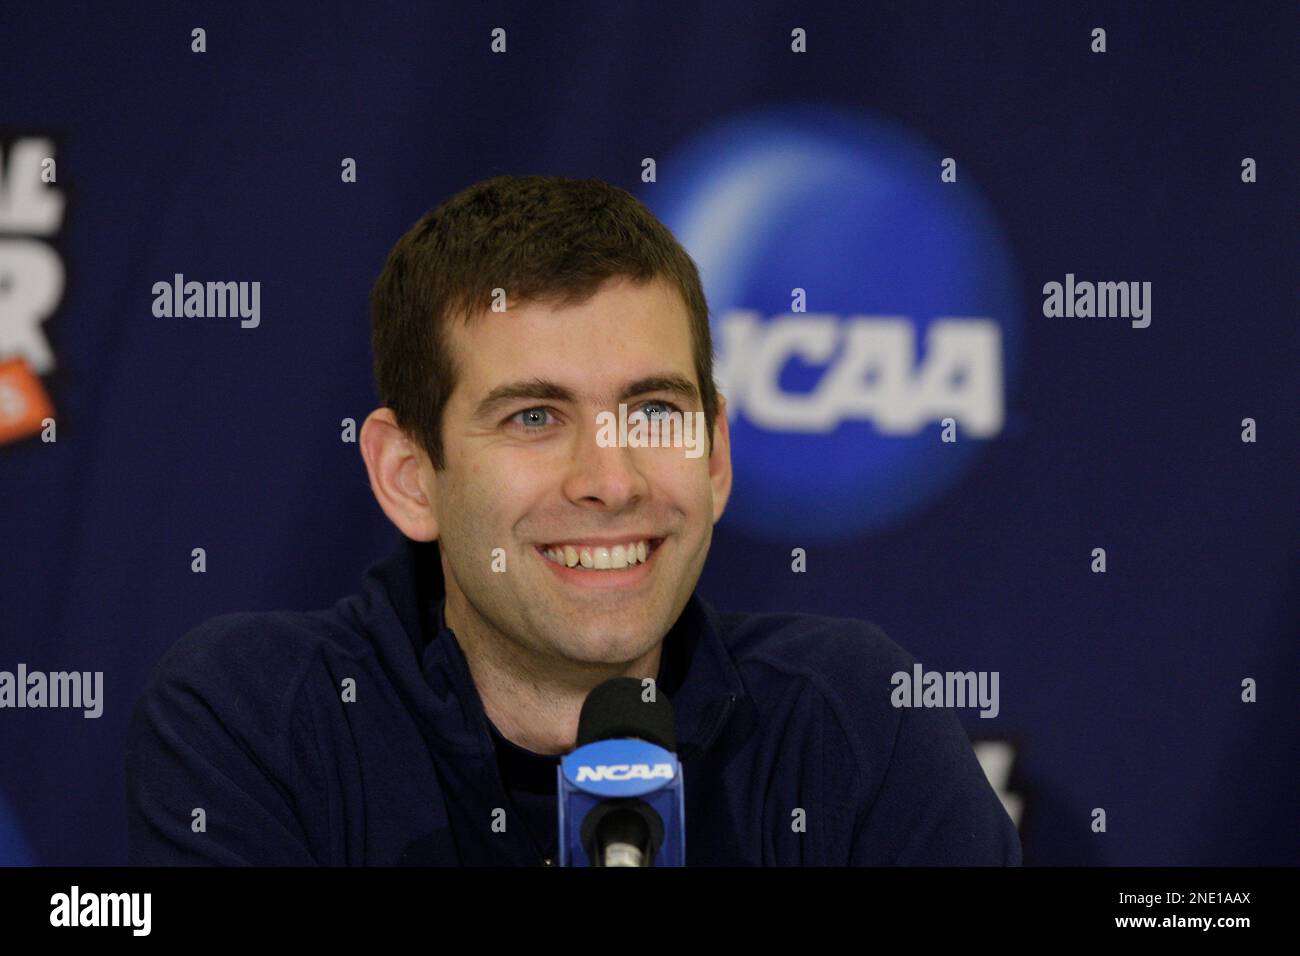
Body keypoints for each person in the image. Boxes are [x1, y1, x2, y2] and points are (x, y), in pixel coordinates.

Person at [126, 174, 1022, 865]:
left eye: (654, 412)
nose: (610, 480)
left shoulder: (851, 719)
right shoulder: (257, 719)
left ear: (714, 456)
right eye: (534, 417)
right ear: (409, 478)